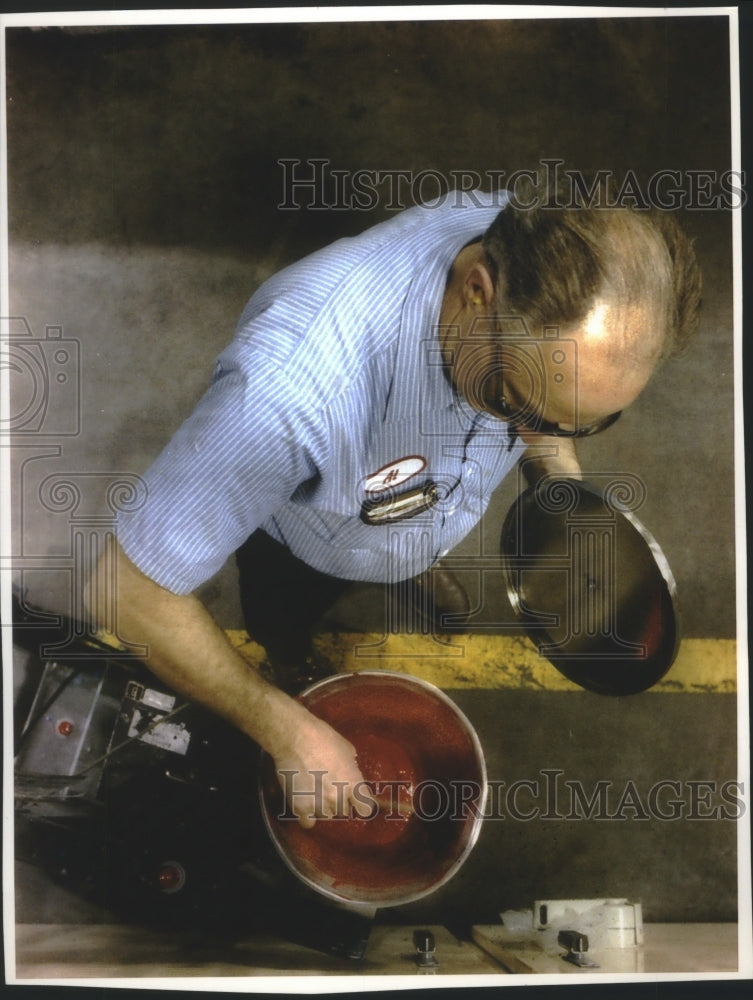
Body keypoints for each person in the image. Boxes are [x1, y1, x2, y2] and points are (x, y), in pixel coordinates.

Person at [84, 187, 701, 828]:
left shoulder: (549, 246)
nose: (533, 432)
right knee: (283, 615)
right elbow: (125, 588)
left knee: (417, 534)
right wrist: (284, 728)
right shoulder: (290, 394)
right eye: (512, 399)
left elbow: (546, 409)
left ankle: (412, 562)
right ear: (479, 291)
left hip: (410, 513)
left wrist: (564, 494)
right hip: (307, 549)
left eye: (579, 422)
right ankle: (288, 653)